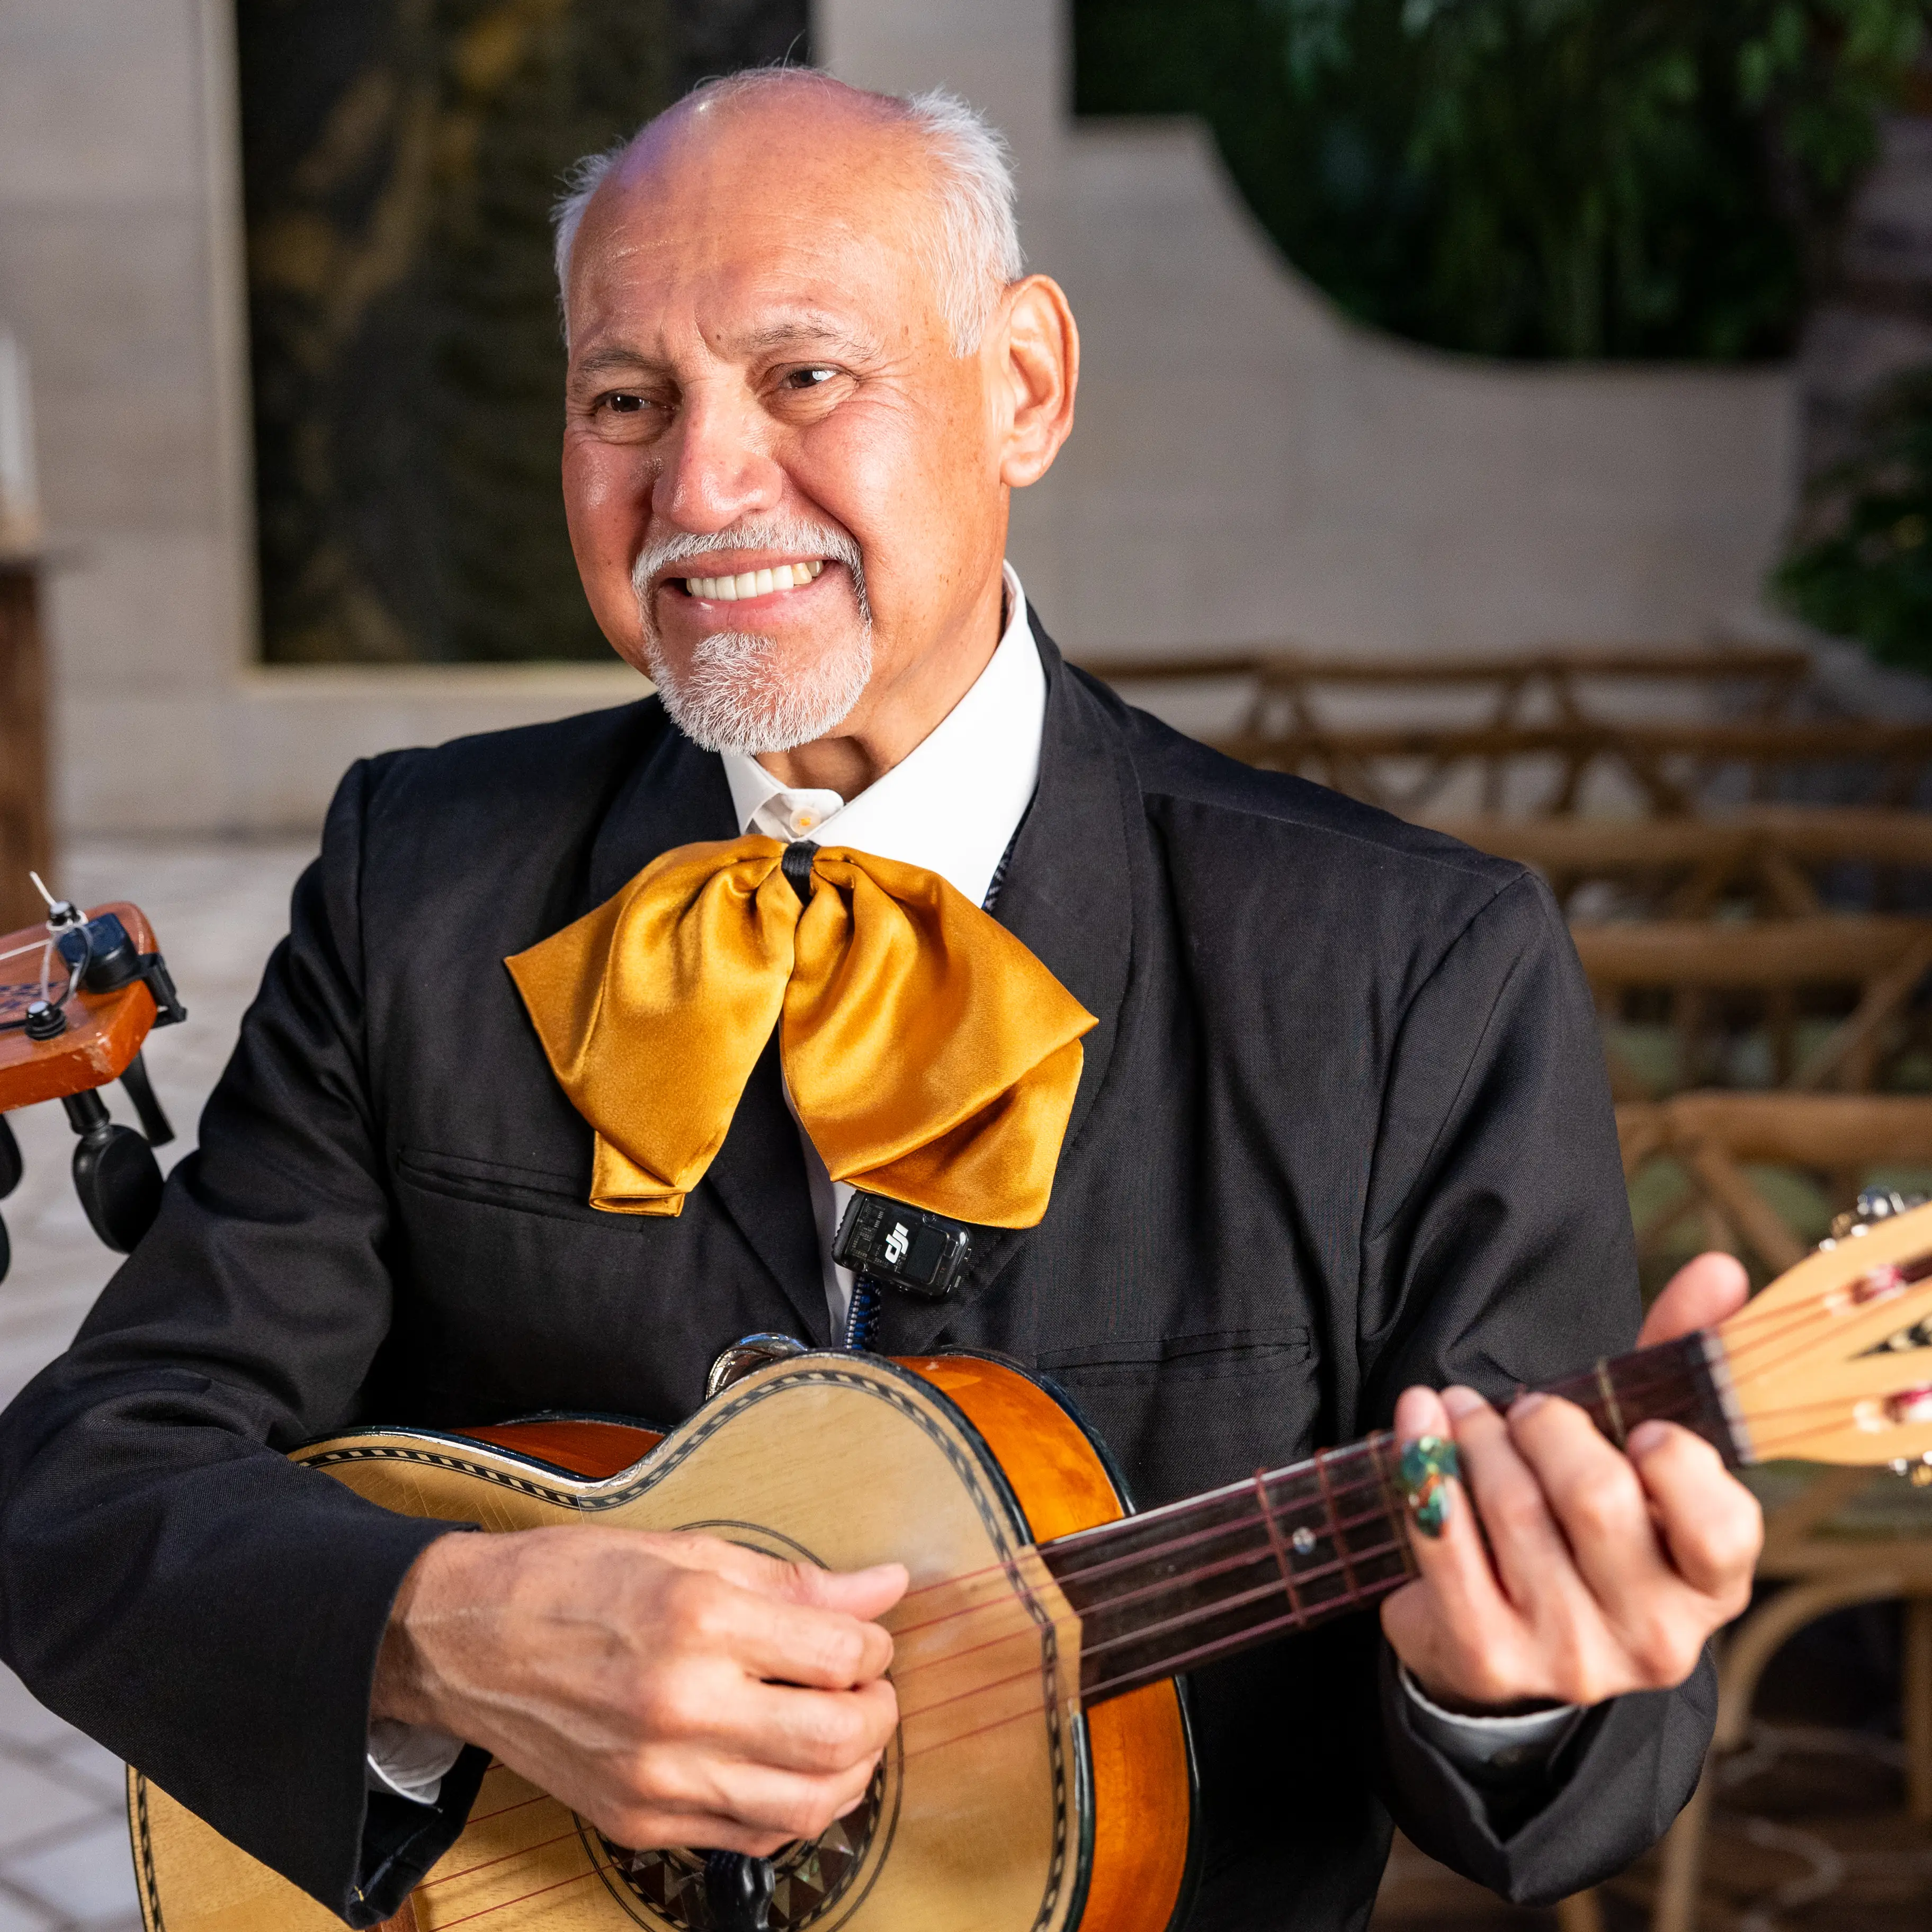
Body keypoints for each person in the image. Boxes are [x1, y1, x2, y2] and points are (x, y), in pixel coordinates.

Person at [0, 68, 1760, 1931]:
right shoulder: (418, 881)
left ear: (1025, 386)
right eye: (627, 401)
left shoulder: (1413, 973)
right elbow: (85, 1491)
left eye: (804, 375)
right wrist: (441, 1631)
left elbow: (1578, 1797)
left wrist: (1525, 1680)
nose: (702, 486)